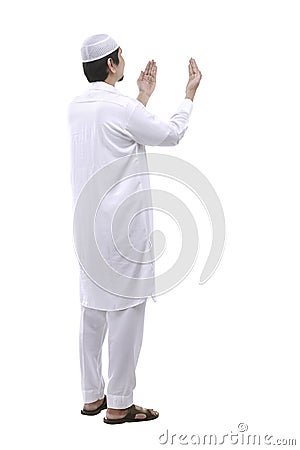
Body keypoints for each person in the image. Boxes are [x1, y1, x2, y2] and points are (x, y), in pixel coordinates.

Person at [67, 34, 202, 425]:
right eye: (122, 56)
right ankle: (120, 402)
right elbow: (169, 134)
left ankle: (92, 396)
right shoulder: (120, 107)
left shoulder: (77, 107)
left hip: (86, 226)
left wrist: (141, 97)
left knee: (92, 311)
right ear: (111, 65)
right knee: (125, 312)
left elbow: (116, 136)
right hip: (121, 229)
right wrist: (188, 95)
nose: (125, 61)